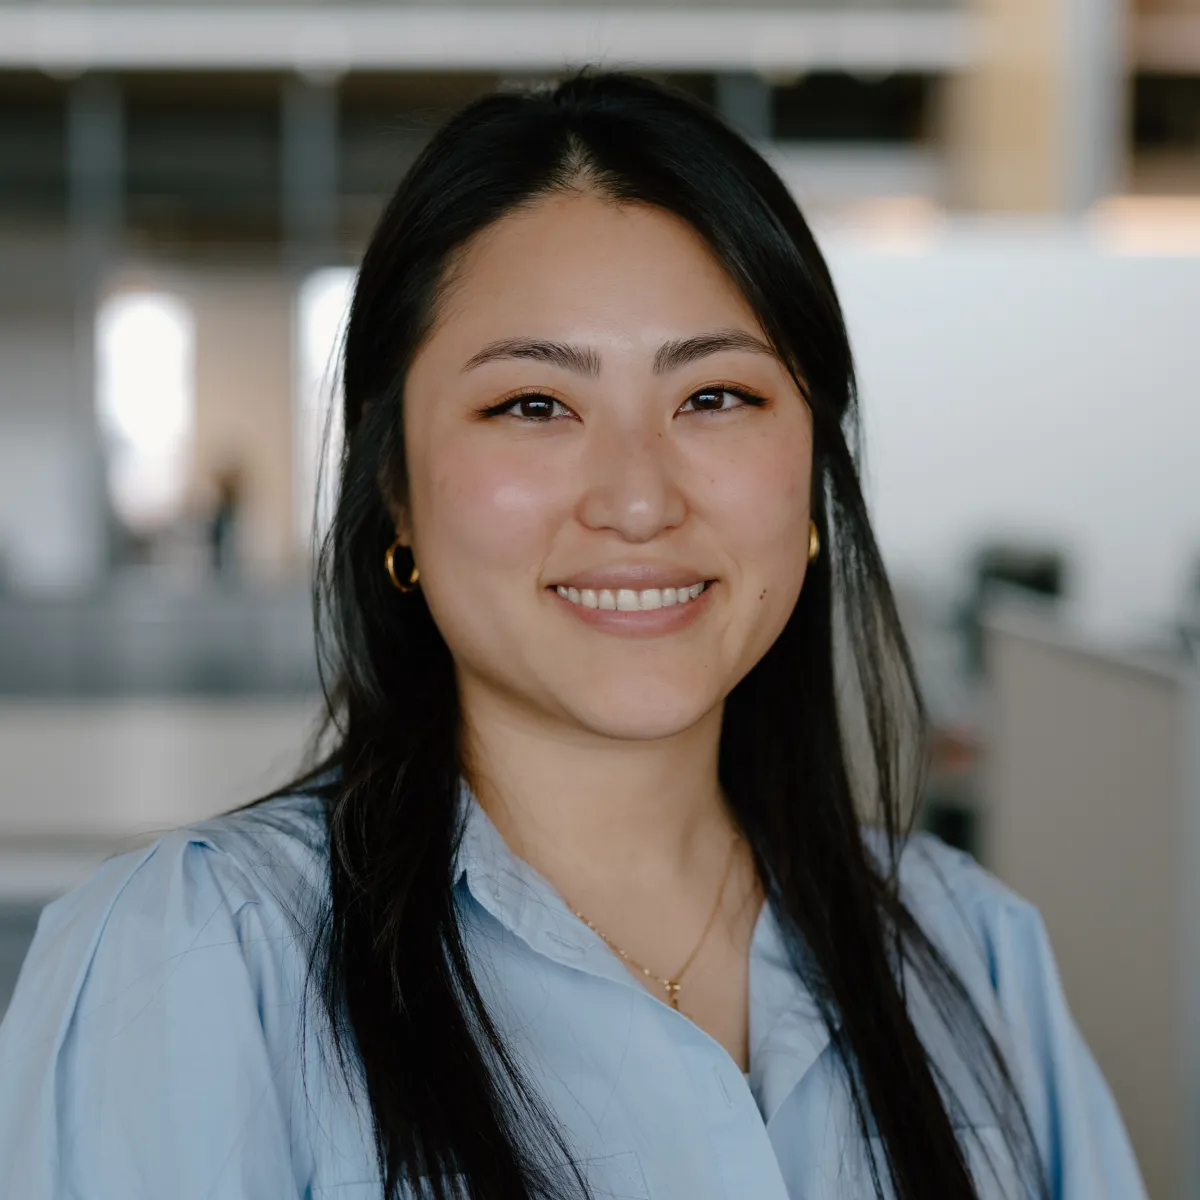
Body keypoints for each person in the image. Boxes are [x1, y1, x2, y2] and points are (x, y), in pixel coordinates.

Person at [0, 72, 1145, 1200]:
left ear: (813, 473)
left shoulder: (969, 954)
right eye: (533, 407)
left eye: (717, 398)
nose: (639, 500)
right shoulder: (200, 970)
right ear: (394, 488)